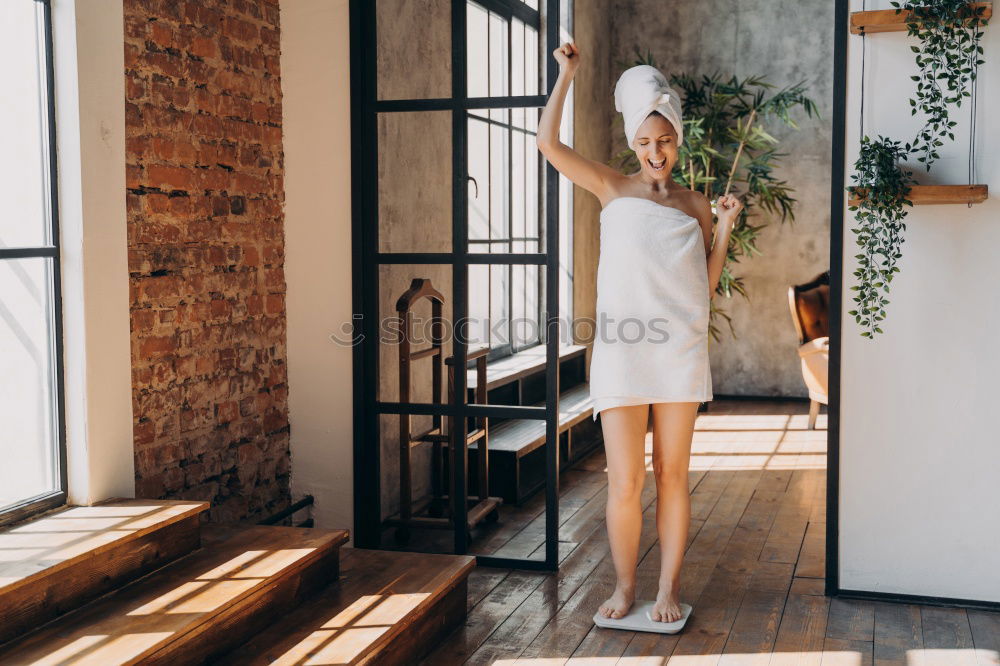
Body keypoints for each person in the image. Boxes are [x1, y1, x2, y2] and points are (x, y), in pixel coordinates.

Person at [535, 41, 743, 623]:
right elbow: (549, 145)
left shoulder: (696, 204)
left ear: (678, 139)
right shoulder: (610, 186)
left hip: (679, 350)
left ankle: (667, 589)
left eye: (665, 140)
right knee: (625, 480)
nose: (656, 152)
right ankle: (626, 589)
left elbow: (704, 282)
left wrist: (723, 228)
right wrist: (567, 74)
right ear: (633, 143)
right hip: (624, 351)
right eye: (645, 143)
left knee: (673, 475)